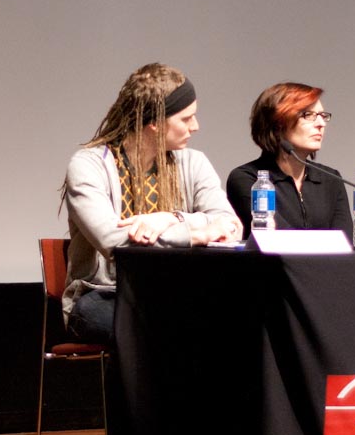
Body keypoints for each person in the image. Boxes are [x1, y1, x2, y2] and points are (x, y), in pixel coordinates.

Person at [61, 63, 241, 345]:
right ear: (155, 122)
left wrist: (171, 218)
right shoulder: (89, 165)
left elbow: (231, 225)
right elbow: (113, 241)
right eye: (186, 119)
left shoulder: (193, 162)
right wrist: (195, 235)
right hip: (105, 294)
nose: (195, 126)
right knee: (162, 325)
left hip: (175, 292)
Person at [226, 82, 352, 240]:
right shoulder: (248, 179)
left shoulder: (331, 179)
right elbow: (279, 239)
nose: (321, 124)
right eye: (308, 115)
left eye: (322, 115)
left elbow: (344, 242)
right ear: (278, 123)